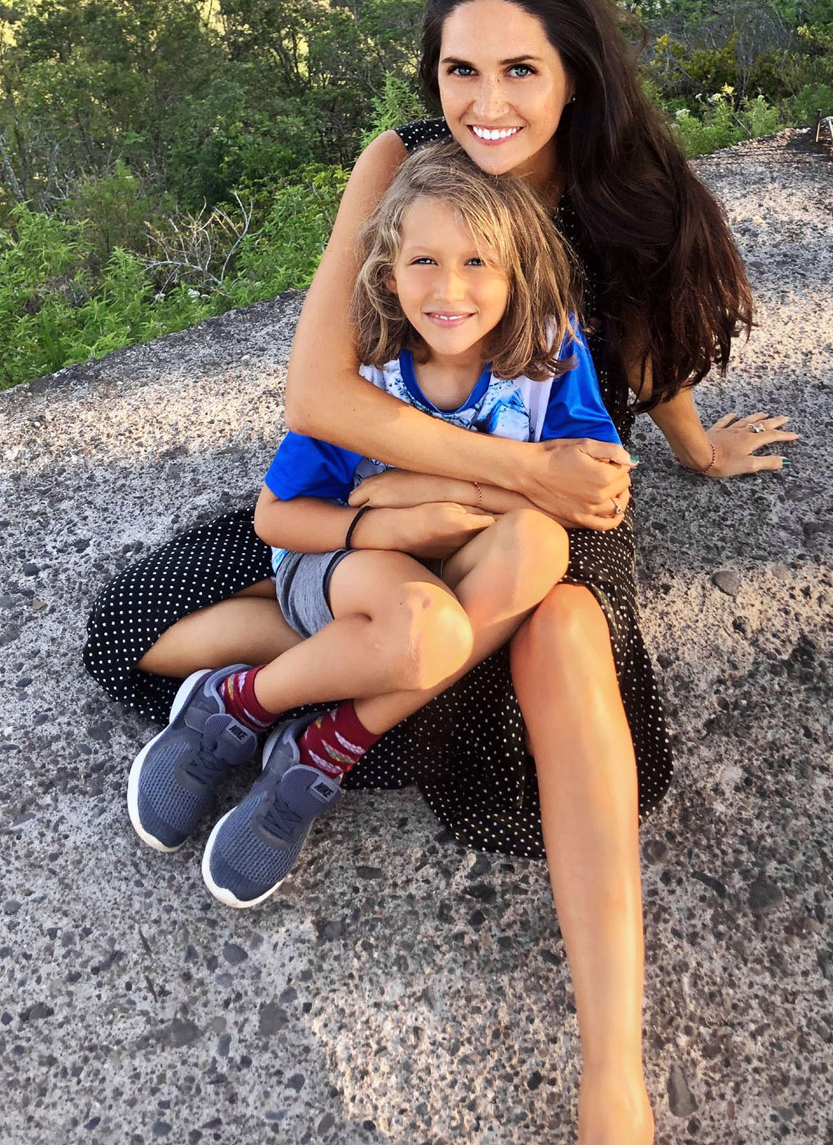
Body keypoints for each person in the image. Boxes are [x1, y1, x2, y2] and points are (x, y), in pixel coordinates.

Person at [84, 0, 794, 1145]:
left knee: (561, 620)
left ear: (573, 69)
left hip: (553, 499)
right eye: (459, 70)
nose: (485, 103)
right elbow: (321, 395)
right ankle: (341, 688)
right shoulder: (402, 167)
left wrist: (687, 446)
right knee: (136, 639)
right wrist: (439, 495)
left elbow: (645, 345)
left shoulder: (631, 195)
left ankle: (611, 1080)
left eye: (518, 68)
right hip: (393, 486)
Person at [125, 143, 623, 911]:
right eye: (424, 261)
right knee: (428, 631)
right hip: (344, 565)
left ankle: (319, 744)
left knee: (542, 545)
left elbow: (596, 494)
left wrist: (416, 486)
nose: (449, 289)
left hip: (452, 568)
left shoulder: (549, 357)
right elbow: (275, 516)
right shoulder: (372, 375)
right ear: (389, 275)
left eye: (478, 263)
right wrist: (385, 525)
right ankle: (237, 705)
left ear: (519, 270)